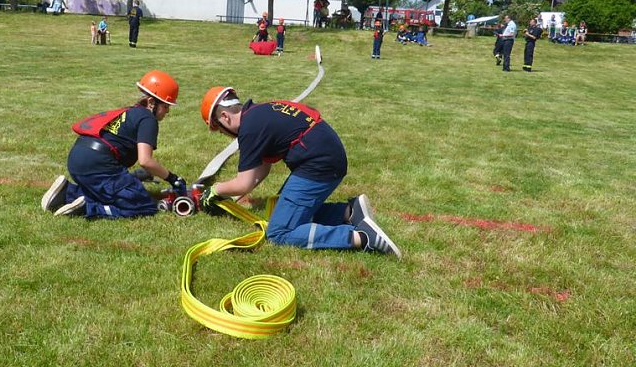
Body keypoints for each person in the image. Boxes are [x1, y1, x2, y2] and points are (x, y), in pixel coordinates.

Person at [197, 86, 401, 256]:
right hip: (327, 155)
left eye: (220, 131)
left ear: (224, 117)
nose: (226, 136)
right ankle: (349, 211)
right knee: (284, 212)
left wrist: (216, 189)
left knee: (279, 232)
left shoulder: (249, 129)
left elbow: (245, 182)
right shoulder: (260, 112)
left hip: (318, 164)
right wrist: (233, 197)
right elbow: (262, 170)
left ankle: (362, 237)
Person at [41, 70, 185, 218]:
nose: (167, 112)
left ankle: (68, 192)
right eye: (165, 106)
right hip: (98, 163)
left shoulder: (131, 112)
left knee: (112, 192)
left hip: (78, 158)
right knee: (144, 205)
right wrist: (173, 178)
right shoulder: (148, 119)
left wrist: (134, 177)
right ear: (151, 102)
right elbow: (146, 160)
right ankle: (87, 208)